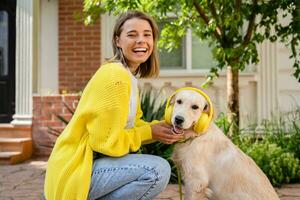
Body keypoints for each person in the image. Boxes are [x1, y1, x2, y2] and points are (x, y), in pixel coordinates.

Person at [44, 10, 190, 200]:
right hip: (75, 170)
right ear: (117, 41)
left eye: (147, 35)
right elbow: (106, 143)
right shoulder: (115, 76)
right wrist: (150, 132)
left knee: (154, 169)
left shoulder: (128, 77)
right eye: (132, 34)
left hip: (90, 167)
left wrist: (159, 129)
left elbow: (132, 125)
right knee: (156, 170)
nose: (141, 40)